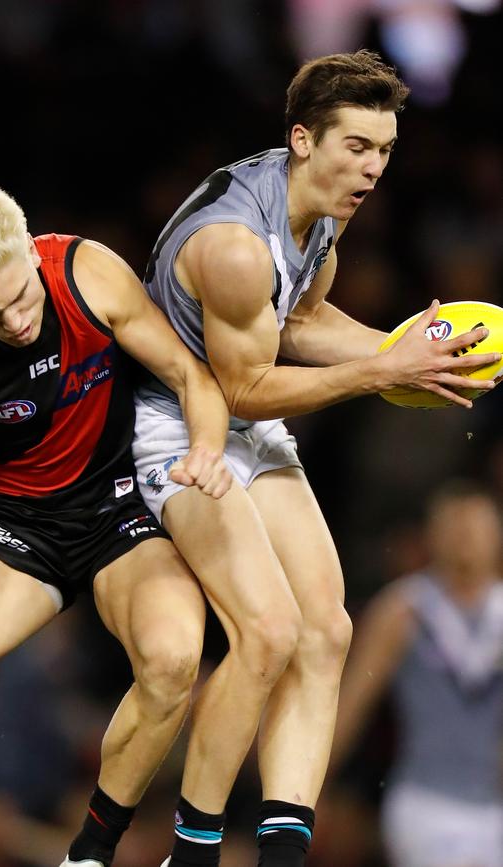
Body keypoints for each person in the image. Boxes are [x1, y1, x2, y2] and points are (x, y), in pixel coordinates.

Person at [130, 49, 502, 867]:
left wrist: (412, 351)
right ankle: (190, 850)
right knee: (266, 630)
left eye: (384, 151)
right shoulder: (234, 247)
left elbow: (300, 317)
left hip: (240, 407)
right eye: (356, 148)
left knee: (327, 629)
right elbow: (243, 385)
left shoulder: (324, 203)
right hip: (174, 424)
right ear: (302, 139)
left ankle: (281, 855)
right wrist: (381, 370)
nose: (372, 169)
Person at [0, 177, 234, 867]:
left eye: (21, 300)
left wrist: (206, 446)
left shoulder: (88, 274)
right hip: (13, 529)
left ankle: (89, 853)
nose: (17, 324)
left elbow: (189, 372)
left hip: (120, 510)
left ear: (31, 252)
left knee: (175, 659)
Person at [329, 479, 503, 867]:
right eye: (454, 528)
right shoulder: (403, 609)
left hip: (495, 805)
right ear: (431, 536)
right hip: (424, 802)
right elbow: (351, 705)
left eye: (475, 528)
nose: (465, 539)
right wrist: (305, 794)